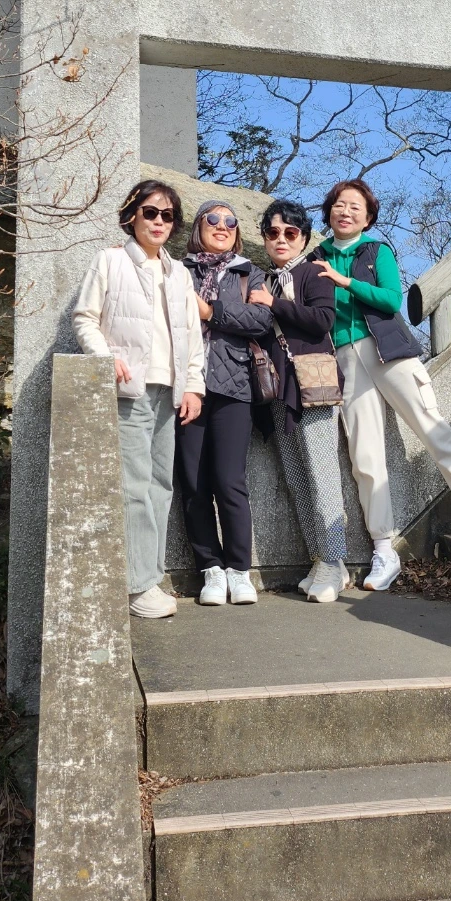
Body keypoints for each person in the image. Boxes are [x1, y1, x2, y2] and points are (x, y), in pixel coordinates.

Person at [313, 178, 451, 593]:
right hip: (345, 359)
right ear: (329, 211)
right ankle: (384, 549)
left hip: (389, 351)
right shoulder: (315, 257)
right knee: (364, 454)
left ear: (367, 218)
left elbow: (390, 300)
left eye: (355, 207)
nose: (345, 212)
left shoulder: (375, 251)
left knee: (432, 427)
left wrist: (344, 282)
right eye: (340, 205)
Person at [72, 180, 205, 620]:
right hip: (129, 390)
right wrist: (104, 358)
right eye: (150, 212)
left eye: (168, 215)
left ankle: (149, 575)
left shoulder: (179, 272)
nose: (159, 221)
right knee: (133, 486)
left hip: (169, 390)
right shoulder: (109, 260)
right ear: (132, 215)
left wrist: (193, 386)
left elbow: (192, 337)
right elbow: (84, 318)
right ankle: (137, 585)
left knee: (159, 486)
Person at [249, 199, 350, 604]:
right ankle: (321, 560)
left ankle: (335, 560)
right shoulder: (262, 280)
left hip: (313, 385)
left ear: (304, 238)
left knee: (323, 475)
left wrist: (274, 304)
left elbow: (323, 320)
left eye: (290, 233)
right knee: (297, 477)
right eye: (273, 232)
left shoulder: (314, 273)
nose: (281, 239)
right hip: (279, 389)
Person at [175, 199, 273, 607]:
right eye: (212, 219)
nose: (222, 225)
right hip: (187, 386)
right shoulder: (177, 271)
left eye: (230, 221)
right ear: (198, 227)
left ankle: (239, 570)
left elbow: (261, 321)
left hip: (234, 387)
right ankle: (211, 570)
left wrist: (209, 310)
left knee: (230, 481)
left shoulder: (250, 273)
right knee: (194, 484)